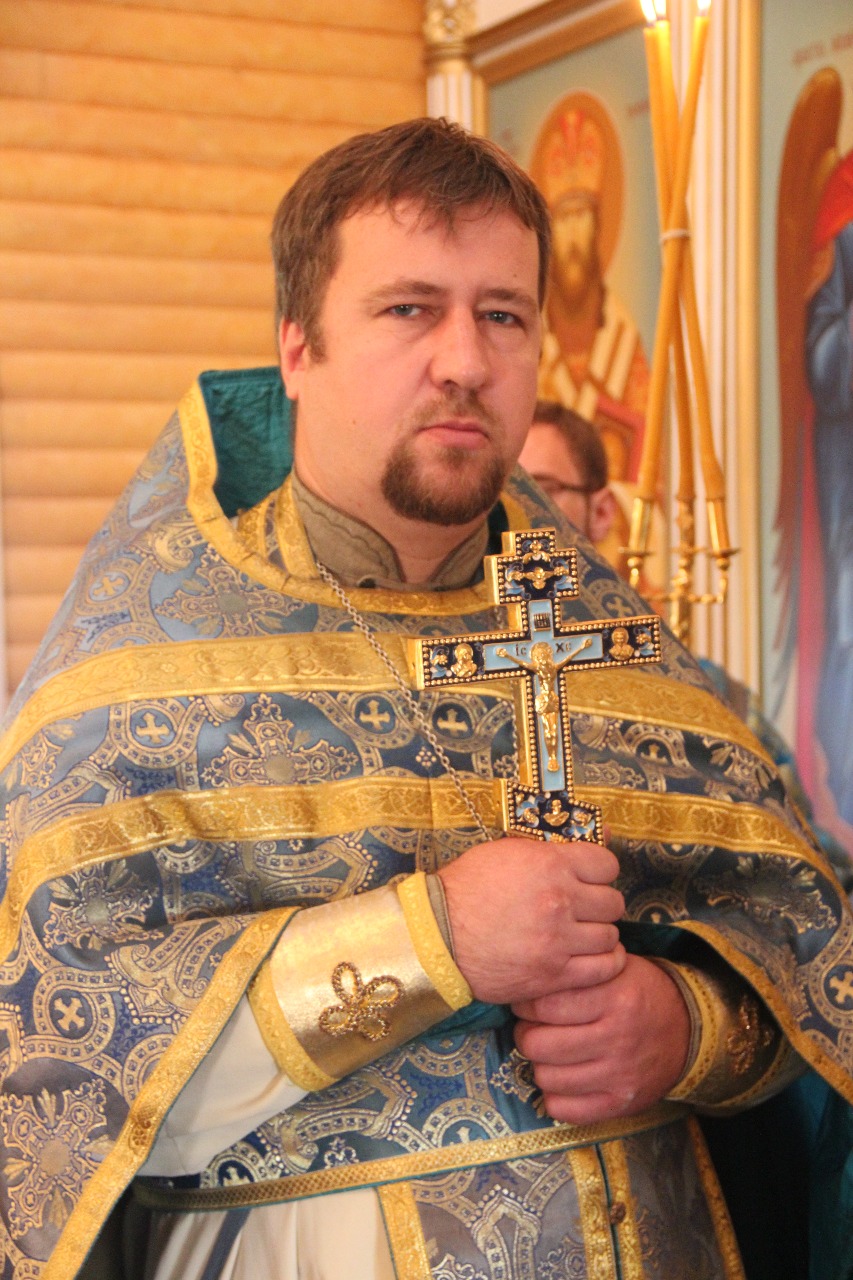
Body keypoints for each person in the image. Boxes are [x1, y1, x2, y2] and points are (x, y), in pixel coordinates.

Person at [0, 119, 851, 1280]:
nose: (464, 360)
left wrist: (682, 1027)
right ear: (295, 348)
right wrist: (430, 938)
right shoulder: (131, 672)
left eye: (502, 314)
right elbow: (55, 1064)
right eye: (409, 308)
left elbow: (800, 952)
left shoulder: (612, 646)